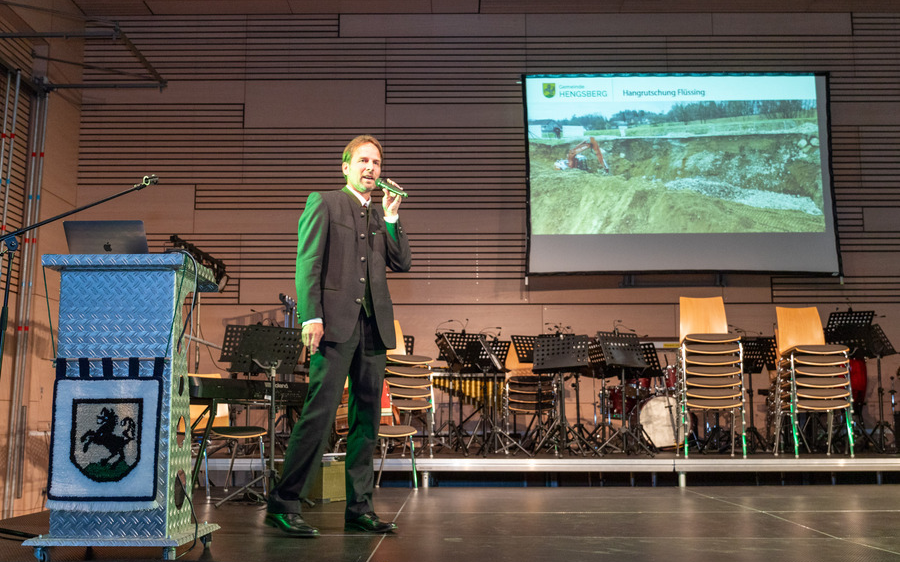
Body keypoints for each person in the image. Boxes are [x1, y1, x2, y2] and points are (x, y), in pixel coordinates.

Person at [264, 135, 412, 537]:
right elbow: (307, 263)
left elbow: (403, 262)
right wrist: (310, 315)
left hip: (373, 327)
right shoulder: (324, 202)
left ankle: (359, 507)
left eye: (377, 163)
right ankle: (284, 501)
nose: (371, 168)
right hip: (333, 325)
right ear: (345, 166)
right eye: (363, 161)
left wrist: (394, 216)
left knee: (368, 421)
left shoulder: (382, 214)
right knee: (320, 413)